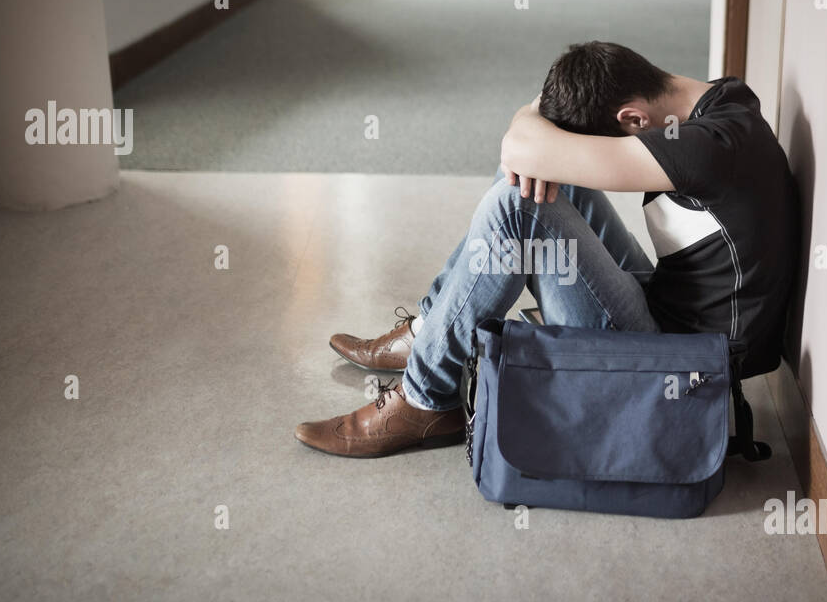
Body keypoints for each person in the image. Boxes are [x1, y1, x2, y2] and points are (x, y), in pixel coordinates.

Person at [295, 41, 799, 458]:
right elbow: (529, 141)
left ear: (632, 119)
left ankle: (424, 397)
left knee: (517, 204)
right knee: (536, 176)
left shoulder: (701, 148)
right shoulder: (722, 98)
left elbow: (520, 143)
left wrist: (537, 139)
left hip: (678, 363)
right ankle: (434, 333)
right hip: (671, 306)